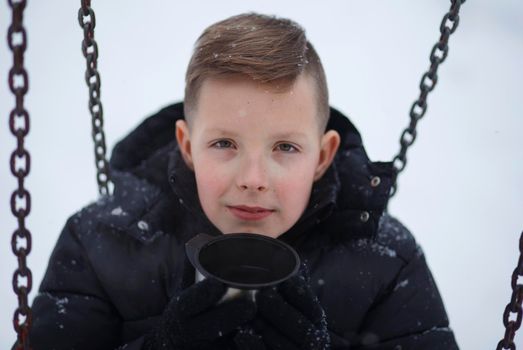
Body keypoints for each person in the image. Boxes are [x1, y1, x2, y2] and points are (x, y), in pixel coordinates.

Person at [27, 12, 458, 350]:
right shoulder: (104, 243)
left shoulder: (383, 263)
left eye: (285, 148)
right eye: (225, 144)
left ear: (323, 156)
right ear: (187, 145)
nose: (253, 180)